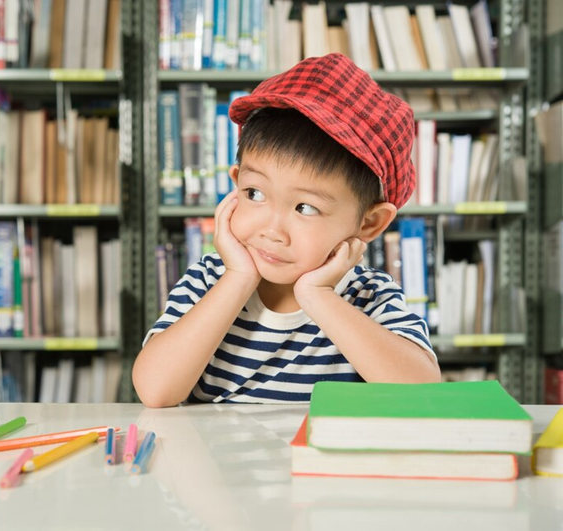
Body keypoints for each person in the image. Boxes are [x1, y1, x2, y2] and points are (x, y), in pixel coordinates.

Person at [133, 53, 441, 408]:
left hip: (318, 463)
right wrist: (236, 279)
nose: (272, 230)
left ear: (369, 223)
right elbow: (155, 392)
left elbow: (422, 395)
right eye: (255, 194)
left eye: (305, 208)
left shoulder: (369, 296)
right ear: (235, 185)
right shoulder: (207, 282)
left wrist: (318, 295)